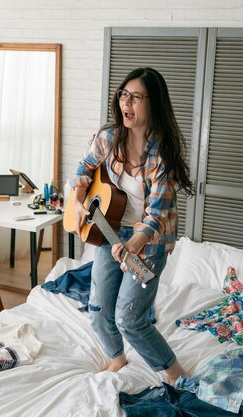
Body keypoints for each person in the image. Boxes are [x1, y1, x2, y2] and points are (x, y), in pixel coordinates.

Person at [69, 67, 195, 384]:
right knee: (98, 311)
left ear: (153, 104)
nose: (127, 102)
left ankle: (175, 373)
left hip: (148, 242)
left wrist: (131, 247)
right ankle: (117, 358)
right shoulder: (108, 138)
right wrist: (79, 200)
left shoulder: (160, 157)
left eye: (136, 97)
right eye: (124, 94)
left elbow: (155, 216)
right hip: (108, 231)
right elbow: (82, 171)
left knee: (129, 318)